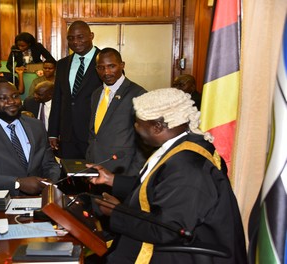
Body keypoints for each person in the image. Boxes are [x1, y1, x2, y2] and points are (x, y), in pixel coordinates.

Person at [88, 88, 247, 263]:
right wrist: (112, 180)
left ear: (157, 127)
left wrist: (118, 212)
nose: (135, 127)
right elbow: (159, 188)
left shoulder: (187, 167)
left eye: (138, 123)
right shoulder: (183, 145)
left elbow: (168, 230)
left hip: (179, 256)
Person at [86, 48, 147, 176]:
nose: (106, 72)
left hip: (123, 169)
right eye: (101, 68)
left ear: (122, 65)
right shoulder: (96, 94)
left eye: (111, 66)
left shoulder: (138, 94)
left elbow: (145, 141)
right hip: (95, 167)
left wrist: (134, 173)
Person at [48, 20, 102, 158]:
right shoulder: (62, 65)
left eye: (80, 37)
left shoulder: (106, 62)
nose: (75, 42)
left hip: (95, 135)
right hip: (67, 136)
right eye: (71, 38)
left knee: (95, 177)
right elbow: (58, 100)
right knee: (69, 177)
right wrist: (53, 132)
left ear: (91, 35)